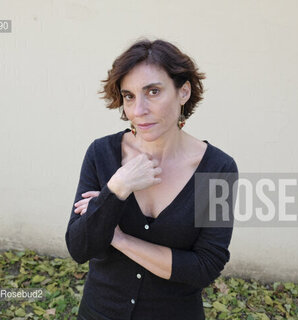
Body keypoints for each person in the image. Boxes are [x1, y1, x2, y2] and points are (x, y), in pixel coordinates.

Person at [65, 38, 238, 320]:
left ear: (183, 92)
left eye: (153, 91)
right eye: (129, 96)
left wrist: (119, 240)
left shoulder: (218, 169)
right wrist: (117, 187)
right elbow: (80, 247)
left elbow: (205, 267)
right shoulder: (101, 154)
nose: (138, 110)